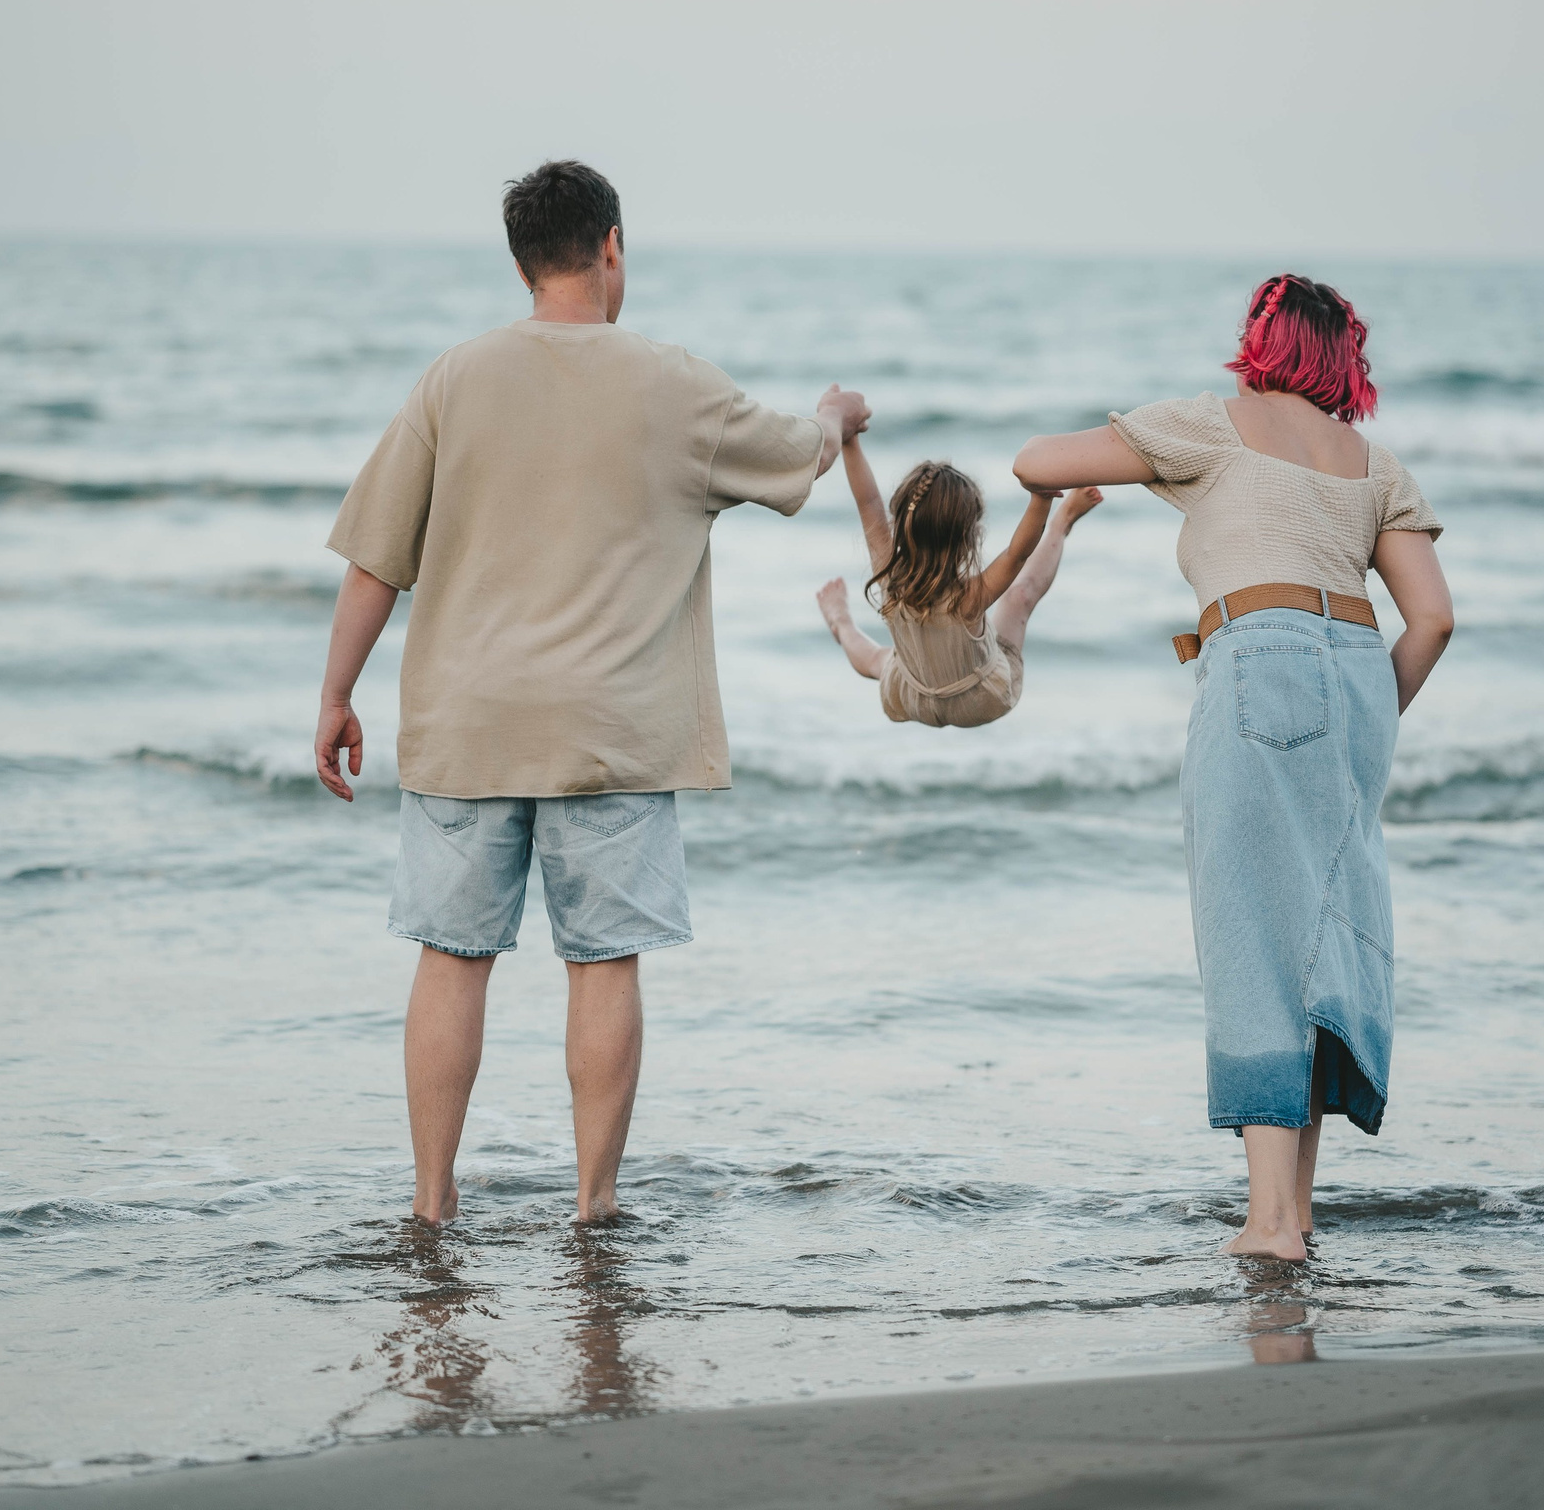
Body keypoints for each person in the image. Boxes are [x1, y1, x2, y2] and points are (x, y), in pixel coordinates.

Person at [313, 160, 870, 1228]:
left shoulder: (453, 378)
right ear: (611, 247)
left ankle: (431, 1205)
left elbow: (375, 559)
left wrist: (336, 695)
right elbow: (799, 459)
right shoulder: (675, 384)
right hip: (612, 729)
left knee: (451, 958)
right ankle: (593, 1205)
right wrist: (838, 414)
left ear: (522, 262)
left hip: (468, 724)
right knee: (603, 964)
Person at [1012, 273, 1452, 1262]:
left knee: (1254, 937)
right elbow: (1433, 618)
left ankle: (1266, 1227)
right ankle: (1296, 1210)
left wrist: (1139, 460)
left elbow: (1032, 461)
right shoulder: (1373, 462)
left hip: (1260, 660)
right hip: (1356, 679)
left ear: (1259, 341)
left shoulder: (1212, 424)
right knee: (1319, 940)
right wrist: (1365, 720)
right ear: (1343, 355)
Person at [814, 429, 1101, 728]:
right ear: (970, 537)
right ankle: (1062, 522)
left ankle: (840, 621)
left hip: (914, 695)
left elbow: (868, 501)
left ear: (900, 522)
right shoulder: (970, 597)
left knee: (876, 660)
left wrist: (850, 440)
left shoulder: (888, 573)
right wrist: (1041, 498)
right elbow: (1018, 554)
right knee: (1020, 597)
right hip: (980, 699)